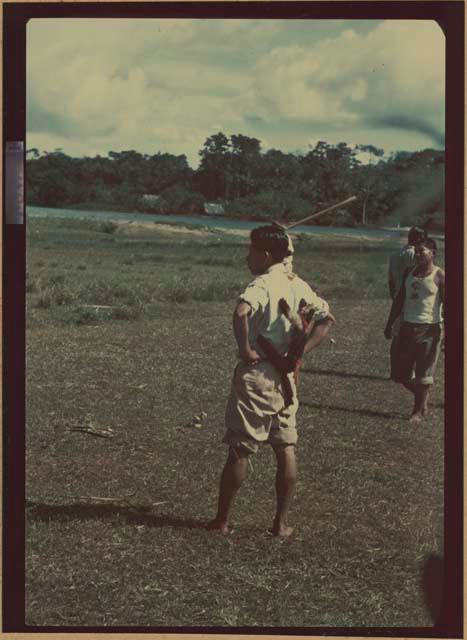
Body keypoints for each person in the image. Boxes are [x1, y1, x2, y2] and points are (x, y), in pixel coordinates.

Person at [208, 225, 334, 537]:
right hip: (287, 377)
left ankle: (222, 521)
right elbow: (327, 320)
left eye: (251, 251)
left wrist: (245, 349)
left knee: (240, 448)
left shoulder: (262, 283)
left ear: (265, 255)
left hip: (260, 374)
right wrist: (298, 354)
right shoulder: (298, 283)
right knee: (285, 448)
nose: (247, 257)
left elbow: (241, 313)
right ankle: (280, 523)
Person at [384, 238, 444, 422]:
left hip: (429, 329)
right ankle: (423, 398)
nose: (417, 255)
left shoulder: (439, 275)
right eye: (416, 252)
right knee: (401, 375)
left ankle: (417, 411)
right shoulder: (409, 272)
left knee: (423, 374)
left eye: (422, 251)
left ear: (433, 252)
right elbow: (399, 299)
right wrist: (390, 323)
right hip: (407, 327)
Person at [387, 225, 427, 380]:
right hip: (412, 300)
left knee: (397, 336)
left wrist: (395, 300)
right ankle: (409, 372)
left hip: (398, 299)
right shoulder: (414, 255)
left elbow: (390, 281)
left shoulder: (395, 255)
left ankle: (394, 372)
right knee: (413, 337)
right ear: (417, 239)